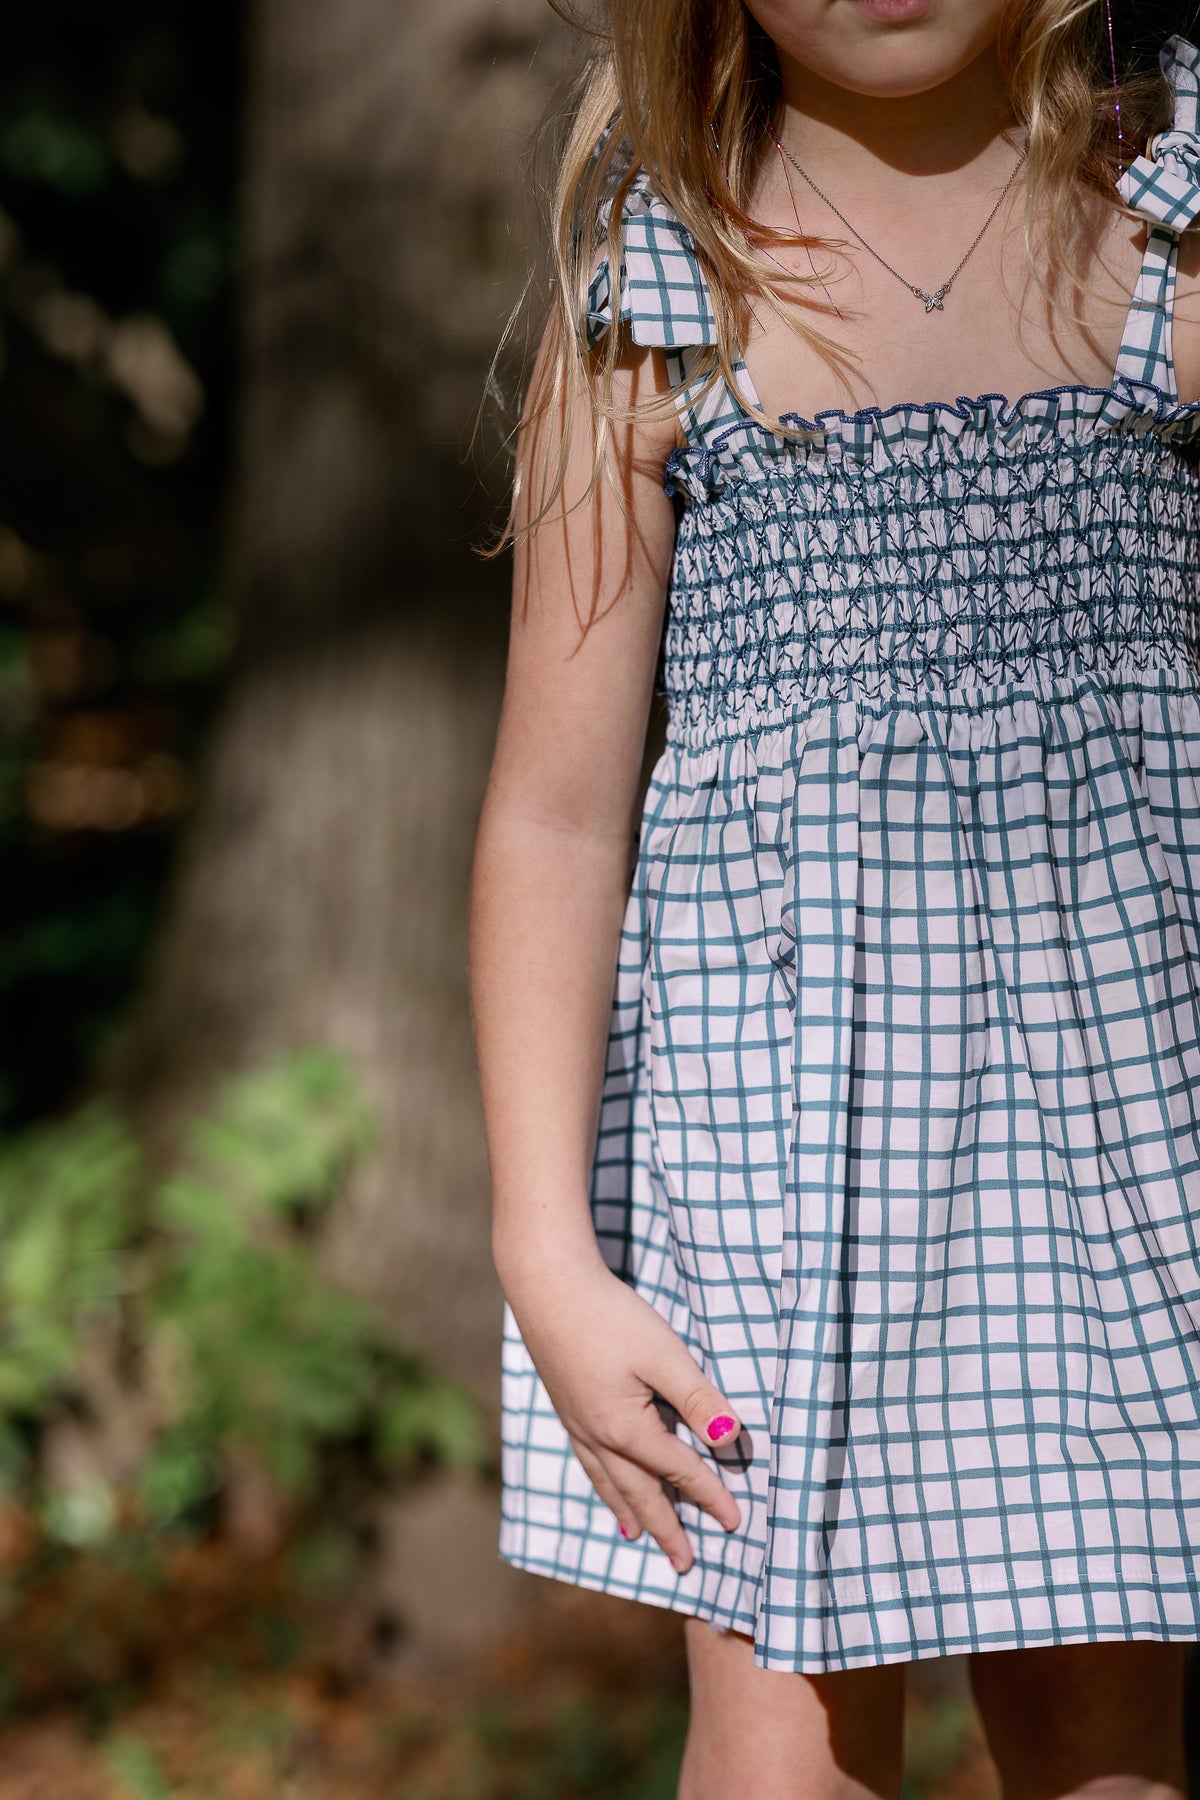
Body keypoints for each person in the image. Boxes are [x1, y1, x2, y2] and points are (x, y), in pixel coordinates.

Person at [467, 1, 1200, 1792]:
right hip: (779, 1154)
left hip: (1122, 1139)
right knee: (779, 1739)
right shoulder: (661, 299)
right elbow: (556, 816)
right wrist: (545, 1248)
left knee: (1103, 1728)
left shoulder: (1169, 235)